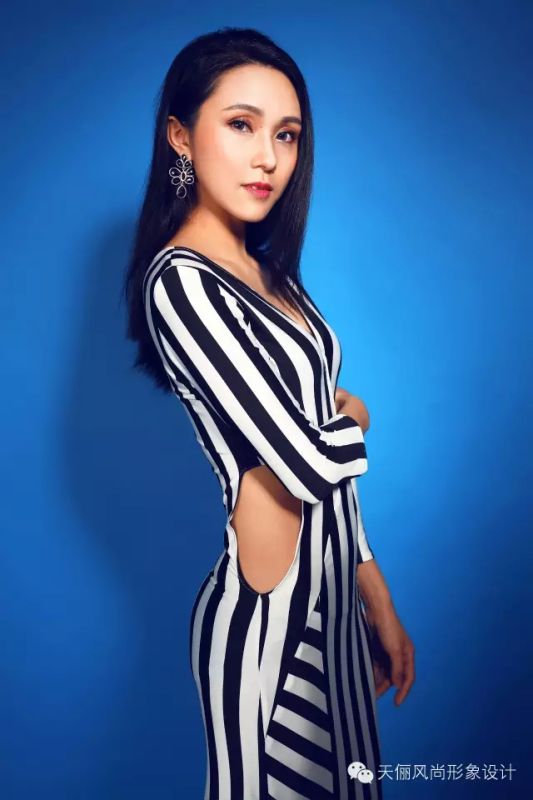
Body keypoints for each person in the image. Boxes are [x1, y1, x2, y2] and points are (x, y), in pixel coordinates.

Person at [124, 26, 415, 800]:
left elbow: (324, 471)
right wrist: (356, 416)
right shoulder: (180, 283)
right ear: (180, 136)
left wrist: (375, 597)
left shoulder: (272, 276)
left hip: (334, 616)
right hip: (267, 620)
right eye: (241, 125)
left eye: (285, 135)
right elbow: (305, 464)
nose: (268, 158)